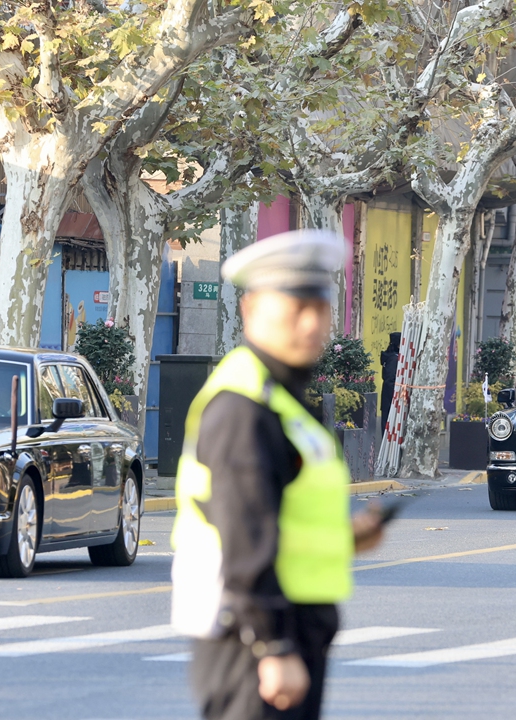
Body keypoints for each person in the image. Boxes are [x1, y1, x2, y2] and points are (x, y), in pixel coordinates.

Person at [171, 230, 385, 720]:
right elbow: (243, 531)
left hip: (290, 621)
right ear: (250, 311)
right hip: (250, 633)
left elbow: (280, 513)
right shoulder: (243, 405)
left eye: (320, 308)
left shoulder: (284, 397)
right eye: (293, 308)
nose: (310, 324)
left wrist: (343, 537)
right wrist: (273, 646)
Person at [380, 332, 401, 431]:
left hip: (388, 396)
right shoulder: (394, 359)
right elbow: (390, 379)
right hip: (391, 397)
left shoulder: (390, 357)